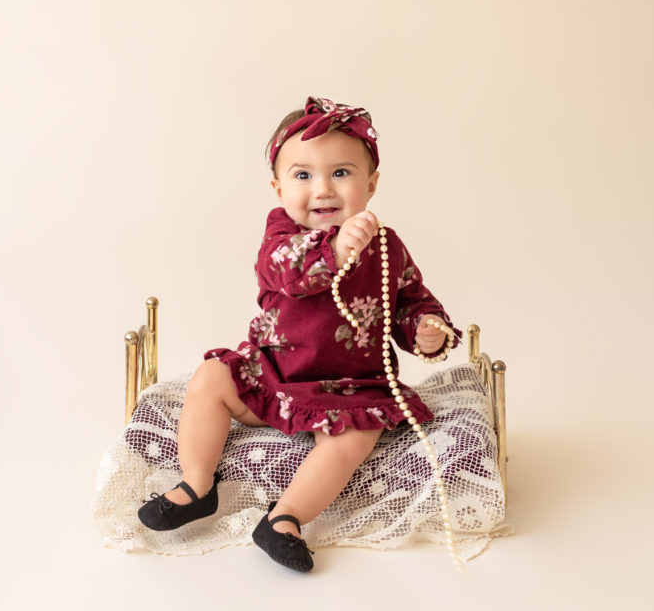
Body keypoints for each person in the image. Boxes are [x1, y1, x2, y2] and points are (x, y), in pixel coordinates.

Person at [137, 96, 461, 571]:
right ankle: (196, 484)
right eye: (303, 175)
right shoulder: (280, 237)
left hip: (350, 388)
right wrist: (334, 247)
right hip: (271, 376)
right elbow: (284, 272)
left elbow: (411, 301)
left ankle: (285, 518)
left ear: (371, 185)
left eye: (342, 173)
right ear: (278, 187)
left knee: (357, 435)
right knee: (209, 376)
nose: (323, 189)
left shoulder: (386, 246)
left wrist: (427, 331)